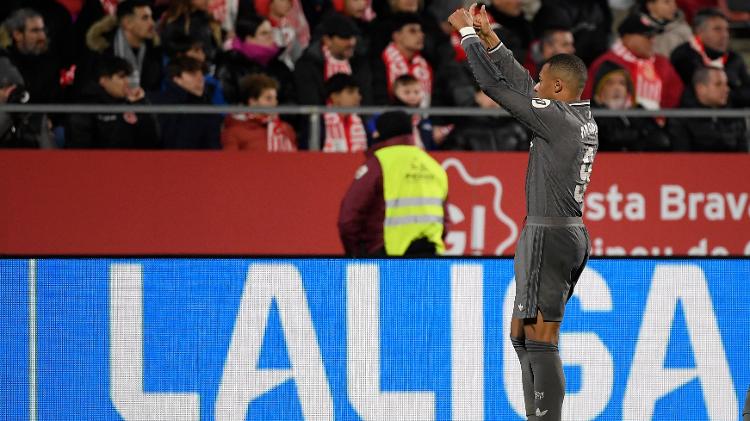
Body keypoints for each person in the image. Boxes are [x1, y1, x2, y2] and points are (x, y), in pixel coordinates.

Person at [450, 4, 596, 420]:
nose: (534, 85)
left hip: (548, 234)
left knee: (540, 339)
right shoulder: (578, 118)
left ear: (558, 90)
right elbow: (518, 83)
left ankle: (545, 418)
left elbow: (496, 88)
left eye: (541, 82)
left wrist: (467, 37)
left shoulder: (558, 122)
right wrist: (492, 39)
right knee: (522, 335)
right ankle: (539, 414)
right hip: (565, 232)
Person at [338, 110, 449, 256]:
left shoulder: (378, 164)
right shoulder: (434, 166)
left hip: (388, 259)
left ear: (379, 133)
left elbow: (348, 219)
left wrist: (358, 256)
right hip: (431, 258)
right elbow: (445, 222)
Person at [584, 12, 684, 110]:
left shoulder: (661, 63)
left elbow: (676, 100)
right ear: (627, 37)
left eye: (654, 36)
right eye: (648, 36)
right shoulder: (606, 63)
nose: (653, 40)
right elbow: (588, 100)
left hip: (655, 124)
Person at [66, 54, 159, 149]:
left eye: (128, 76)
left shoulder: (132, 103)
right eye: (122, 77)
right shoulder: (86, 107)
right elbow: (80, 147)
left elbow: (153, 141)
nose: (127, 82)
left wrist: (141, 104)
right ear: (104, 80)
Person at [670, 8, 750, 107]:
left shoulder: (734, 58)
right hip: (693, 118)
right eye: (717, 29)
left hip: (730, 120)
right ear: (699, 32)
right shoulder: (683, 56)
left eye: (727, 30)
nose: (725, 35)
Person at [81, 0, 163, 93]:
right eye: (145, 18)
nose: (152, 23)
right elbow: (85, 92)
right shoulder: (101, 51)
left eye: (151, 17)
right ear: (127, 23)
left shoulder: (155, 51)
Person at [591, 61, 671, 151]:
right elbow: (611, 137)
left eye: (622, 83)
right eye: (610, 83)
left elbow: (661, 140)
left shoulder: (637, 110)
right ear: (599, 88)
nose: (617, 88)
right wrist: (641, 134)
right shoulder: (591, 112)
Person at [667, 65, 748, 151]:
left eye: (726, 84)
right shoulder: (680, 118)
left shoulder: (734, 116)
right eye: (718, 84)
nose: (727, 89)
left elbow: (743, 154)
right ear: (701, 89)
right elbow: (681, 158)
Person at [150, 56, 222, 149]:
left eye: (201, 74)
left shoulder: (209, 110)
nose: (200, 79)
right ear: (176, 79)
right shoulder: (157, 104)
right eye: (193, 74)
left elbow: (213, 148)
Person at [221, 73, 297, 151]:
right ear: (253, 102)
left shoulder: (286, 129)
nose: (274, 103)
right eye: (268, 99)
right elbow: (230, 161)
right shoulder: (233, 132)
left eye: (275, 98)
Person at [320, 73, 366, 152]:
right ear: (334, 96)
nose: (358, 97)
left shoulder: (362, 121)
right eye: (350, 92)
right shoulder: (320, 123)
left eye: (358, 92)